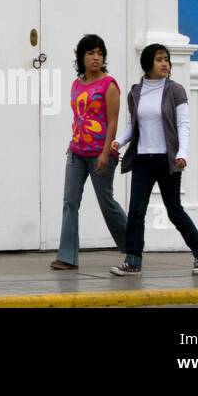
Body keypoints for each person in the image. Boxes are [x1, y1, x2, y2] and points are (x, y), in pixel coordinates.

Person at [110, 43, 198, 276]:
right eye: (158, 59)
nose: (164, 63)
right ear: (147, 63)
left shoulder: (175, 90)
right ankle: (133, 261)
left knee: (173, 210)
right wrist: (119, 141)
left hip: (168, 159)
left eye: (166, 59)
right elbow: (131, 125)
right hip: (143, 159)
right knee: (136, 210)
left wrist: (182, 153)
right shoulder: (136, 91)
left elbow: (183, 124)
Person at [51, 34, 128, 270]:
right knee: (70, 202)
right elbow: (79, 117)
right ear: (81, 57)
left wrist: (106, 153)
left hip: (99, 153)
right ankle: (67, 257)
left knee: (106, 203)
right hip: (76, 152)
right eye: (91, 53)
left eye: (100, 53)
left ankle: (133, 247)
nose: (96, 58)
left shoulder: (109, 85)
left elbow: (113, 122)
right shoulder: (77, 84)